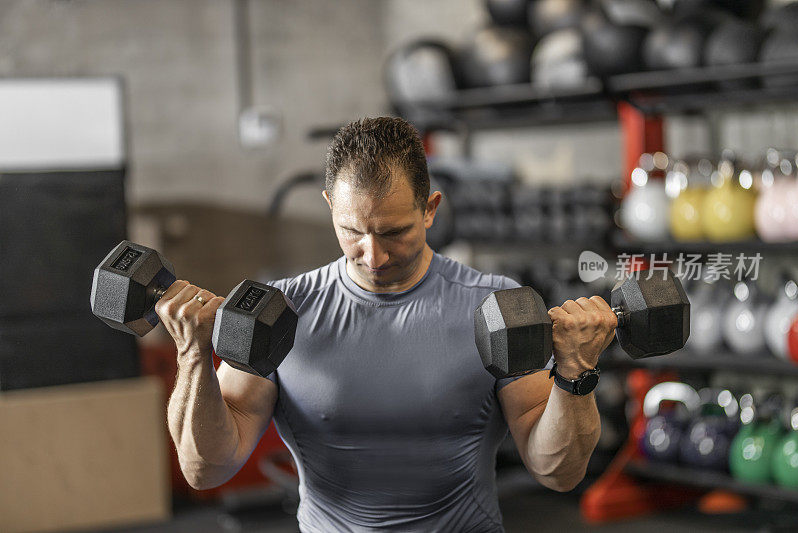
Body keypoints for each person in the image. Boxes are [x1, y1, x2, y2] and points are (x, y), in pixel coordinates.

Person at [158, 117, 617, 532]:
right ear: (329, 206)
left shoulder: (496, 306)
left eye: (394, 232)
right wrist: (192, 353)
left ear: (431, 208)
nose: (372, 256)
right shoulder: (280, 311)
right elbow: (206, 469)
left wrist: (575, 373)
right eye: (352, 231)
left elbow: (558, 472)